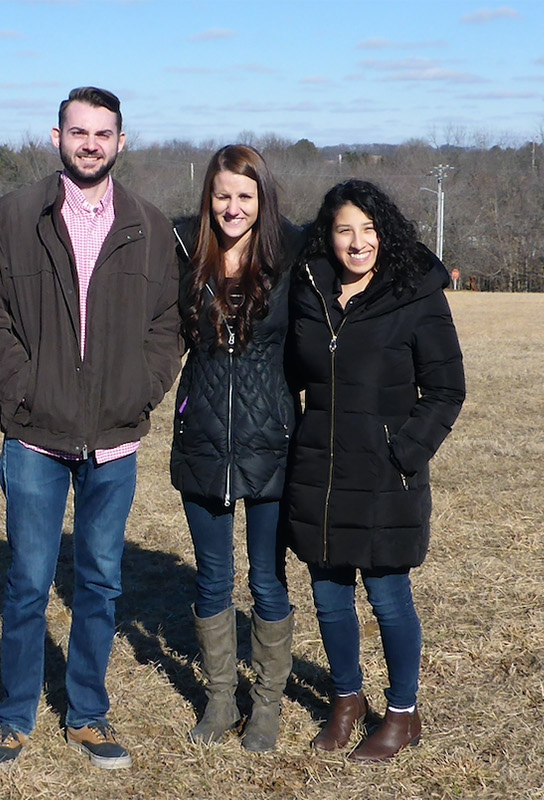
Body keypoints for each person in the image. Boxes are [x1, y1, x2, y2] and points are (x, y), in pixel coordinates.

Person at [0, 86, 180, 773]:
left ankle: (86, 712)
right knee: (27, 579)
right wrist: (26, 390)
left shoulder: (147, 222)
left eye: (102, 133)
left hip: (114, 440)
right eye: (78, 131)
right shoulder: (12, 218)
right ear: (56, 137)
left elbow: (167, 325)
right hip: (34, 438)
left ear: (121, 142)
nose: (90, 143)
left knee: (102, 582)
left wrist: (139, 389)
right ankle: (15, 715)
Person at [283, 179, 465, 763]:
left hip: (387, 473)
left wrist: (403, 454)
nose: (357, 242)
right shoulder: (309, 288)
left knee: (388, 597)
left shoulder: (415, 294)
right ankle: (346, 700)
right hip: (320, 469)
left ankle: (404, 713)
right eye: (344, 230)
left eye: (368, 228)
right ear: (328, 236)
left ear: (384, 232)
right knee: (329, 595)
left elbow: (445, 389)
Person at [168, 144, 304, 752]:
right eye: (222, 195)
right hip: (200, 441)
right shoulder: (181, 252)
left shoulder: (292, 255)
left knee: (267, 583)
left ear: (262, 200)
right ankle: (221, 701)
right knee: (212, 580)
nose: (232, 207)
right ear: (208, 198)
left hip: (270, 441)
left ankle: (267, 704)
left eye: (245, 195)